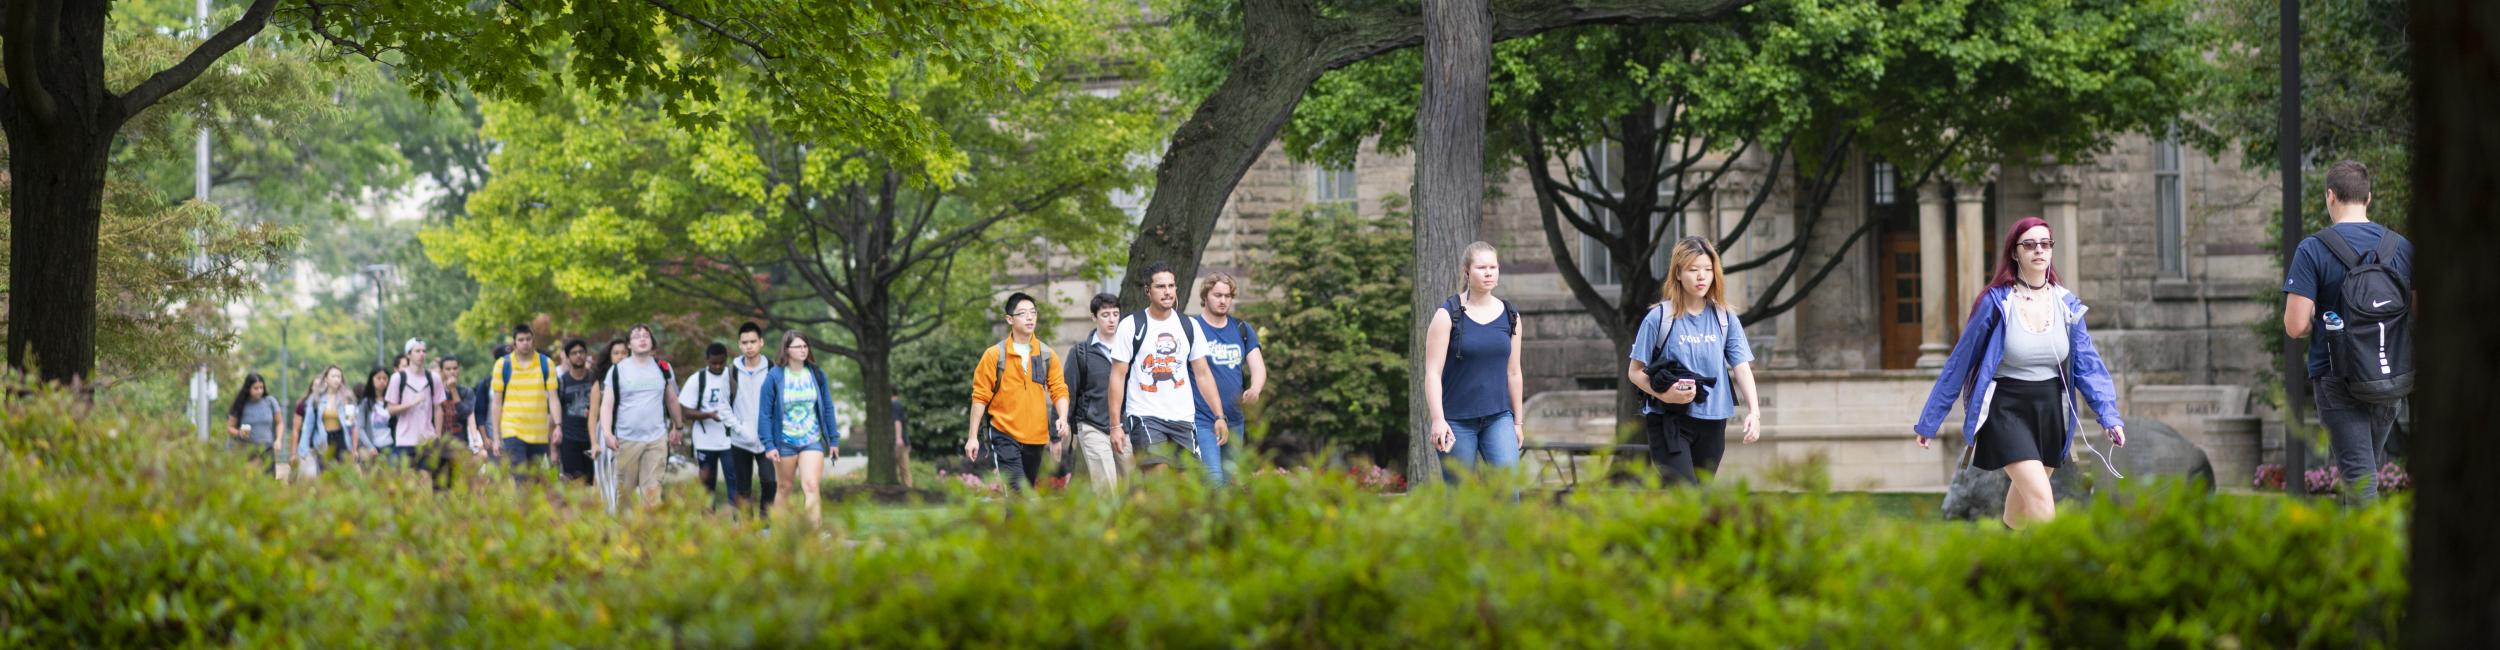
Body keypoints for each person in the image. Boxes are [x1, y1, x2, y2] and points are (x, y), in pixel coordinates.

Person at [1914, 218, 2126, 528]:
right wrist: (1931, 419)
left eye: (2045, 243)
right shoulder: (1998, 303)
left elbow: (2089, 367)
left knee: (2020, 510)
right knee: (2042, 501)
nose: (2039, 250)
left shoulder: (2066, 305)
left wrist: (2110, 416)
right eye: (2029, 244)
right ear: (2015, 253)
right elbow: (1959, 362)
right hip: (2007, 410)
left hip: (2050, 410)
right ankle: (2054, 573)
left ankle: (2005, 563)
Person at [2282, 160, 2413, 504]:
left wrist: (2322, 322)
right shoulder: (2401, 248)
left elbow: (2294, 326)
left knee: (2358, 478)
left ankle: (2370, 556)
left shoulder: (2313, 249)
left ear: (2330, 197)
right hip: (2389, 377)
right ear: (2368, 197)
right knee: (2361, 470)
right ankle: (2353, 553)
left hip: (2338, 379)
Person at [1628, 237, 1765, 487]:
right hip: (1669, 420)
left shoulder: (1725, 318)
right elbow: (1635, 372)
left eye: (1708, 269)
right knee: (1684, 493)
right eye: (1693, 270)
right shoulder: (1659, 318)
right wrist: (1666, 395)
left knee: (1698, 502)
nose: (1702, 276)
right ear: (1678, 273)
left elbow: (1742, 367)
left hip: (1713, 422)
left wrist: (1754, 413)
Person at [1106, 261, 1229, 476]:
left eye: (1171, 286)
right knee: (1159, 479)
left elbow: (1203, 374)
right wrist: (1116, 426)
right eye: (1160, 287)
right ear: (1148, 291)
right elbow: (1117, 376)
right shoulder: (1132, 325)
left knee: (1185, 487)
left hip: (1183, 418)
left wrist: (1219, 416)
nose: (1167, 292)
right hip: (1145, 416)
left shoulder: (1189, 325)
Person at [1425, 243, 1527, 481]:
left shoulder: (1511, 316)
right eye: (1482, 267)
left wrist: (1518, 422)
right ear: (1467, 272)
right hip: (1456, 421)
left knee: (1508, 488)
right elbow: (1432, 373)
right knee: (1459, 497)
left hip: (1499, 417)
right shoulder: (1448, 314)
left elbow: (1514, 373)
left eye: (1493, 267)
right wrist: (1438, 420)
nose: (1489, 272)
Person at [966, 292, 1073, 492]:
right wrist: (973, 436)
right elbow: (980, 397)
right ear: (1010, 319)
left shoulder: (1046, 354)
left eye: (1033, 312)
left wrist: (1063, 417)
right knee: (1018, 492)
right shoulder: (994, 355)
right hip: (1004, 434)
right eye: (1023, 313)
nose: (1030, 317)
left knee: (1023, 497)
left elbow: (1059, 389)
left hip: (1036, 437)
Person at [758, 330, 842, 528]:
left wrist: (833, 440)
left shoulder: (817, 374)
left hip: (811, 440)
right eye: (798, 346)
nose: (803, 350)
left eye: (805, 346)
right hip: (784, 442)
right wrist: (769, 445)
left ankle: (813, 535)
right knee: (785, 488)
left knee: (812, 486)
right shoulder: (774, 376)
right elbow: (764, 414)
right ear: (787, 350)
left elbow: (828, 407)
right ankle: (779, 534)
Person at [598, 325, 687, 510]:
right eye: (637, 336)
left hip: (656, 439)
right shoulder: (618, 370)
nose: (642, 339)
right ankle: (624, 535)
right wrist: (607, 433)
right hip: (627, 439)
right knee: (626, 494)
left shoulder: (662, 367)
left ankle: (650, 536)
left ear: (652, 342)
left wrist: (678, 427)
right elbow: (607, 405)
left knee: (652, 492)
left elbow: (671, 399)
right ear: (629, 344)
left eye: (646, 335)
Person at [1190, 274, 1266, 486]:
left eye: (1228, 296)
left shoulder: (1241, 329)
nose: (1223, 300)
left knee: (1231, 482)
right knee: (1213, 480)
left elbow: (1257, 365)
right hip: (1202, 418)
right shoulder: (1193, 328)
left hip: (1234, 419)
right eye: (1217, 295)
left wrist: (1256, 388)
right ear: (1205, 296)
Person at [1061, 293, 1127, 493]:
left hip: (1125, 427)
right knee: (1107, 488)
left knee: (1131, 485)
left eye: (1115, 314)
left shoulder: (1128, 349)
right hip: (1092, 425)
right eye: (1105, 314)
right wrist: (1059, 426)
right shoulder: (1080, 352)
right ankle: (1110, 523)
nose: (1112, 319)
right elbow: (1067, 391)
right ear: (1094, 317)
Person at [384, 339, 456, 488]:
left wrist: (437, 436)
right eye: (417, 351)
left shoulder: (433, 378)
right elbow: (390, 409)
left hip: (427, 440)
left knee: (426, 481)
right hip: (405, 439)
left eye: (424, 351)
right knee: (409, 484)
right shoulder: (398, 378)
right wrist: (411, 403)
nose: (422, 354)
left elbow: (438, 408)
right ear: (408, 354)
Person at [493, 324, 564, 471]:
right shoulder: (503, 365)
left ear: (533, 341)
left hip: (539, 432)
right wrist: (496, 436)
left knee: (534, 480)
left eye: (528, 339)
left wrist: (558, 425)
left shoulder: (546, 364)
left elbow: (553, 397)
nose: (525, 343)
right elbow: (496, 403)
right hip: (512, 429)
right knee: (520, 477)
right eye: (521, 340)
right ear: (514, 343)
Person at [725, 324, 779, 519]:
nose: (749, 346)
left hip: (767, 440)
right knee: (743, 487)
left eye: (753, 342)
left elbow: (779, 404)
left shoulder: (773, 370)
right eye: (745, 342)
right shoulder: (731, 372)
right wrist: (738, 428)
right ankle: (747, 530)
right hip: (740, 439)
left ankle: (765, 524)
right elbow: (723, 406)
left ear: (761, 342)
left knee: (770, 482)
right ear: (739, 345)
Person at [680, 342, 736, 509]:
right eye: (713, 363)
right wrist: (709, 415)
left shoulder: (734, 377)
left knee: (736, 484)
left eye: (721, 362)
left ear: (726, 359)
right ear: (707, 360)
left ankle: (740, 524)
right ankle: (708, 523)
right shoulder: (697, 379)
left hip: (730, 441)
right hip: (705, 442)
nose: (717, 366)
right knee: (706, 486)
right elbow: (686, 412)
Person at [293, 365, 358, 477]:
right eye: (333, 376)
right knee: (325, 474)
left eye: (339, 376)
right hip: (323, 439)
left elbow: (351, 425)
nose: (337, 379)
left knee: (342, 475)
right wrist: (303, 449)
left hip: (341, 439)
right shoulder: (315, 399)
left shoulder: (347, 398)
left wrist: (354, 448)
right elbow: (308, 426)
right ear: (326, 379)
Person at [555, 339, 601, 484]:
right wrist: (553, 449)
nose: (578, 356)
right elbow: (553, 415)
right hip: (570, 440)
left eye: (581, 352)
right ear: (567, 358)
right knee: (574, 483)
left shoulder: (595, 379)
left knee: (593, 482)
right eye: (574, 353)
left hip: (593, 439)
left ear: (586, 355)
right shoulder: (562, 381)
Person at [226, 373, 286, 475]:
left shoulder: (270, 402)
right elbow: (229, 427)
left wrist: (278, 440)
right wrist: (239, 433)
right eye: (255, 388)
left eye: (261, 387)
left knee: (269, 480)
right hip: (248, 449)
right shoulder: (241, 404)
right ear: (248, 388)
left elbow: (280, 422)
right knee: (250, 480)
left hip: (267, 448)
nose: (259, 391)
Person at [469, 343, 511, 461]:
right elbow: (479, 412)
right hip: (493, 438)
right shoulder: (487, 383)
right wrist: (485, 437)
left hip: (515, 438)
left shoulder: (519, 382)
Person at [354, 368, 392, 462]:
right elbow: (360, 428)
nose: (382, 381)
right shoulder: (365, 403)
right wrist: (370, 446)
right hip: (372, 448)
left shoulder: (392, 402)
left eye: (385, 378)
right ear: (372, 380)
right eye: (378, 378)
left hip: (389, 446)